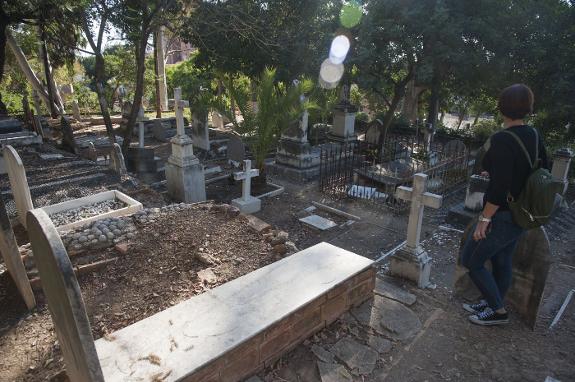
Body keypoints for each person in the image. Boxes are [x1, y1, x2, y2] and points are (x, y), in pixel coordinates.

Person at [460, 84, 549, 326]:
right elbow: (545, 169)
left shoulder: (501, 140)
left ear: (501, 107)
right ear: (528, 109)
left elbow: (499, 188)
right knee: (501, 260)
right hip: (523, 212)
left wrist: (484, 219)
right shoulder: (534, 135)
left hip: (502, 215)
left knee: (472, 260)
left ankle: (498, 311)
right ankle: (491, 301)